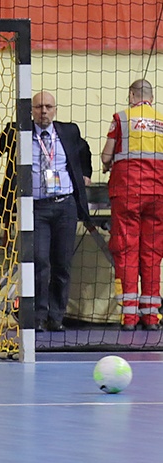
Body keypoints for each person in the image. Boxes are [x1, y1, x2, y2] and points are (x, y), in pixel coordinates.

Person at [0, 91, 93, 332]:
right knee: (39, 262)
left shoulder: (69, 131)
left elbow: (84, 151)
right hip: (35, 207)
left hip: (65, 206)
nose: (44, 111)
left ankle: (56, 317)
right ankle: (38, 316)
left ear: (55, 109)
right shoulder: (17, 133)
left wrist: (86, 174)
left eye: (48, 106)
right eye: (39, 107)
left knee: (62, 265)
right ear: (32, 110)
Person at [101, 79, 163, 331]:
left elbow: (106, 156)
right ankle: (151, 316)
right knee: (152, 253)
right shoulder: (161, 120)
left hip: (127, 193)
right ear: (150, 96)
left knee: (126, 251)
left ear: (132, 95)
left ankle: (129, 317)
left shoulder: (121, 118)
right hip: (158, 194)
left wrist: (107, 165)